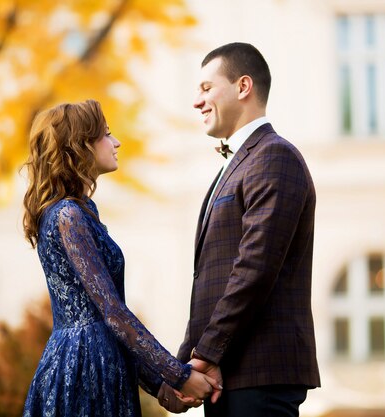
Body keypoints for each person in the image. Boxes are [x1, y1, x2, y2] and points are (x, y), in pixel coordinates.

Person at [21, 100, 221, 417]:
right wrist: (179, 376)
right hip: (84, 371)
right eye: (106, 135)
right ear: (80, 146)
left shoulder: (81, 212)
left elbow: (111, 323)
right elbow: (113, 313)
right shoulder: (68, 215)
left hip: (98, 361)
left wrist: (160, 387)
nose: (116, 142)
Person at [158, 43, 321, 416]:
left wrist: (206, 355)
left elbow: (254, 269)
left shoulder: (274, 157)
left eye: (205, 88)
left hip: (259, 375)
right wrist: (184, 369)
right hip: (227, 376)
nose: (197, 102)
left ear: (243, 86)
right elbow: (211, 283)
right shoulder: (238, 165)